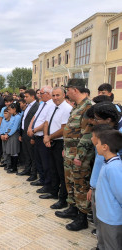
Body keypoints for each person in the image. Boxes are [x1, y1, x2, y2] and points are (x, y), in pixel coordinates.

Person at [55, 79, 94, 231]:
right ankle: (72, 208)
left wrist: (80, 155)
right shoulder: (76, 106)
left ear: (75, 90)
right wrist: (66, 148)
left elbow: (87, 134)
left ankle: (82, 217)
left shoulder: (88, 107)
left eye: (68, 90)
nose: (67, 93)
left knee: (80, 185)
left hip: (80, 156)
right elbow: (71, 130)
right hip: (70, 153)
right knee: (70, 182)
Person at [42, 87, 72, 208]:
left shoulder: (67, 109)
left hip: (60, 143)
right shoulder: (52, 107)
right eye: (53, 95)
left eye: (58, 95)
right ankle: (54, 192)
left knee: (61, 172)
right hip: (50, 141)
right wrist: (45, 136)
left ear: (64, 95)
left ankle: (63, 199)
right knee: (52, 169)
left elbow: (64, 129)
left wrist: (49, 137)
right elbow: (46, 123)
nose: (55, 98)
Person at [94, 129, 122, 249]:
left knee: (112, 244)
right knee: (103, 241)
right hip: (103, 214)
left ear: (105, 147)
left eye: (98, 143)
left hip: (111, 218)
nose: (96, 145)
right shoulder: (107, 163)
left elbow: (120, 194)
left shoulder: (114, 167)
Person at [27, 86, 55, 191]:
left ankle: (47, 184)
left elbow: (45, 123)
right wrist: (30, 128)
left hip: (44, 136)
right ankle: (42, 179)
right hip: (37, 136)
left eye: (41, 93)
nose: (39, 95)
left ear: (48, 94)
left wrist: (33, 130)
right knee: (38, 160)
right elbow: (35, 117)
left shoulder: (51, 105)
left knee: (45, 162)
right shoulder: (42, 104)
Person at [17, 89, 39, 178]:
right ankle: (27, 169)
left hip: (31, 133)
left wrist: (33, 136)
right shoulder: (28, 106)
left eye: (27, 97)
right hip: (24, 132)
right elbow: (24, 119)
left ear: (33, 96)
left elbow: (36, 121)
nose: (25, 98)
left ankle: (33, 173)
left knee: (32, 154)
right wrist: (21, 134)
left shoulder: (36, 106)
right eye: (24, 97)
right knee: (26, 153)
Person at [4, 103, 22, 173]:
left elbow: (14, 127)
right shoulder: (12, 116)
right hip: (10, 134)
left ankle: (14, 168)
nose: (9, 111)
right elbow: (10, 125)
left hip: (14, 134)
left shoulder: (18, 117)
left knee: (14, 151)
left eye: (10, 109)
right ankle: (11, 165)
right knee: (11, 151)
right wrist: (6, 132)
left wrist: (8, 134)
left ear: (14, 109)